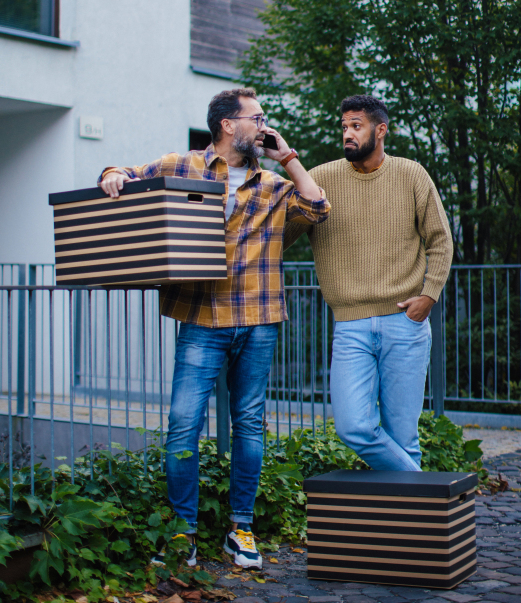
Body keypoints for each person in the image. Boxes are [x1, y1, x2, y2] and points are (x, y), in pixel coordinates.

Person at [99, 88, 330, 568]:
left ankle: (240, 529)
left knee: (249, 425)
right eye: (257, 118)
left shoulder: (272, 183)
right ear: (228, 124)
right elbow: (122, 172)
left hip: (259, 320)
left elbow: (318, 208)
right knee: (184, 425)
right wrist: (113, 175)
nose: (263, 125)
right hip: (202, 319)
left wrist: (286, 154)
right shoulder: (182, 166)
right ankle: (182, 533)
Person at [284, 94, 453, 472]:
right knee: (354, 427)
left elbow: (440, 240)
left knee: (403, 436)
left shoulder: (411, 174)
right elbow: (280, 239)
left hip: (404, 323)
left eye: (356, 126)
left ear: (381, 130)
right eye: (344, 126)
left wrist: (429, 296)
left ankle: (407, 526)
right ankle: (429, 497)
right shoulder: (321, 180)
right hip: (350, 325)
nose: (347, 134)